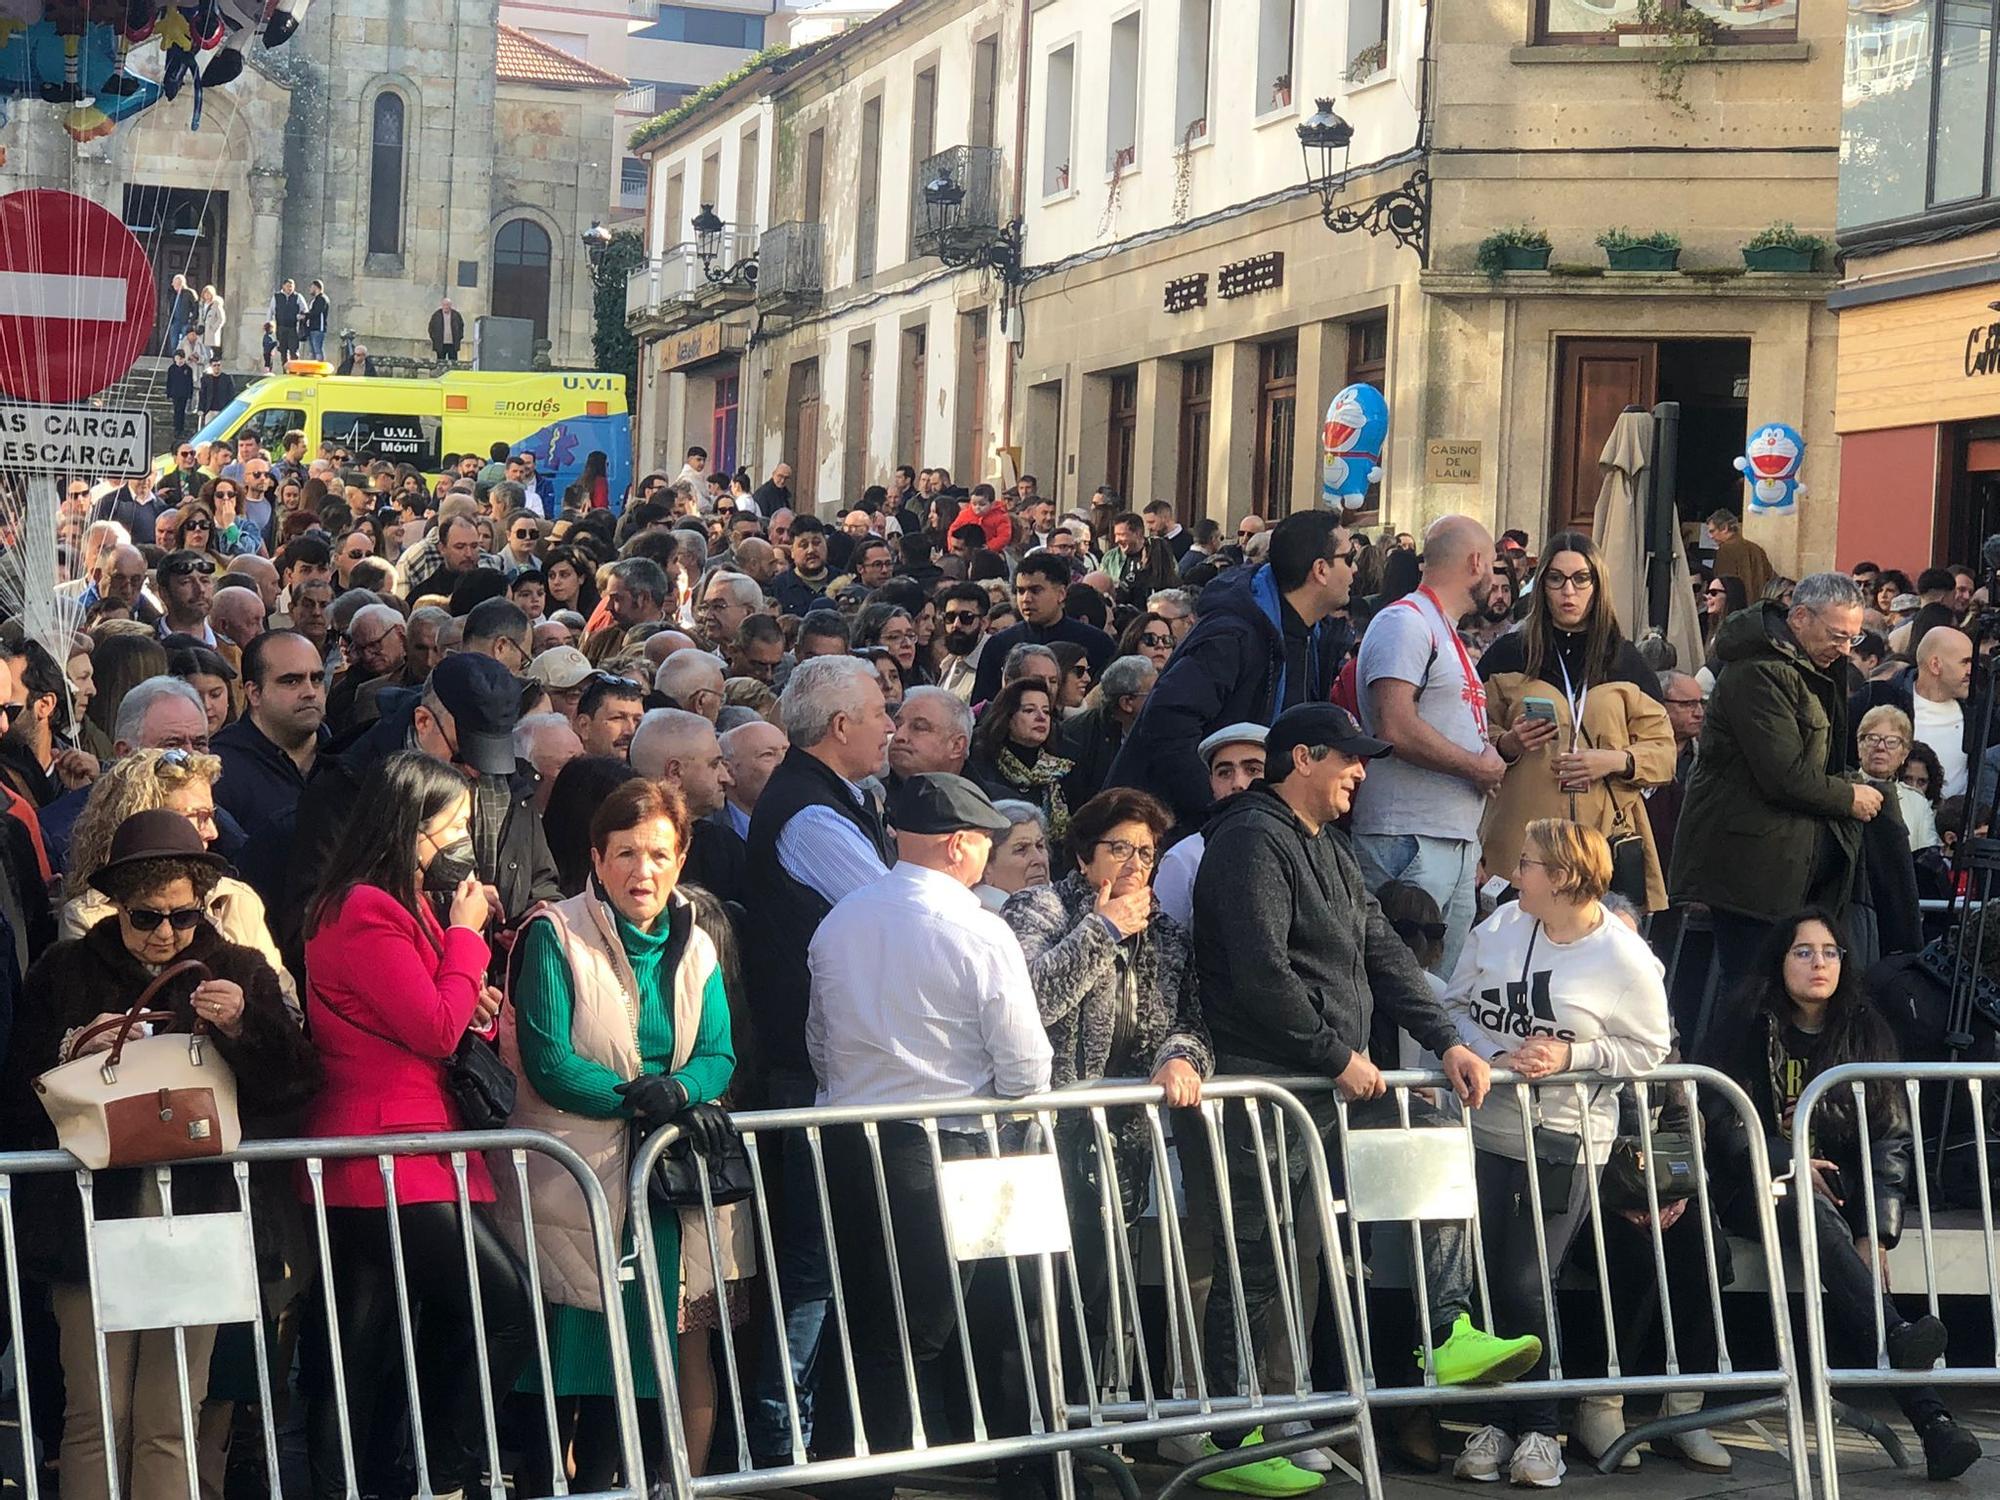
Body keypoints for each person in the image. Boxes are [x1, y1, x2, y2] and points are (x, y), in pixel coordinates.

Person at [1191, 703, 1532, 1491]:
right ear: (1303, 758)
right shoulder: (1248, 840)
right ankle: (1230, 1441)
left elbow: (1385, 952)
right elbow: (1259, 974)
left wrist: (1446, 1041)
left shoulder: (1332, 848)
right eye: (1350, 758)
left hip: (1331, 1077)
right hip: (1267, 1087)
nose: (1362, 772)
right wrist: (1333, 1051)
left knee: (1428, 1150)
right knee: (1258, 1261)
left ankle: (1447, 1332)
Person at [0, 810, 315, 1500]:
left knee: (171, 1417)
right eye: (147, 917)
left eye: (183, 916)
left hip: (196, 1216)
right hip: (89, 1222)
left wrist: (243, 1025)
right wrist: (70, 1054)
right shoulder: (65, 971)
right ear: (116, 907)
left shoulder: (238, 968)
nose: (168, 934)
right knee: (96, 1416)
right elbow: (17, 1102)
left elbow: (293, 1084)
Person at [805, 773, 1053, 1493]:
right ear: (959, 846)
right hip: (960, 1143)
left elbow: (821, 1043)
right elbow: (1025, 1063)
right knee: (991, 1319)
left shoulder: (840, 919)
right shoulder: (979, 927)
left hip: (856, 1141)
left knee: (875, 1326)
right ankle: (1022, 1474)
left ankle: (864, 1479)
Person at [299, 751, 534, 1499]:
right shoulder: (365, 907)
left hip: (411, 1147)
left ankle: (384, 1478)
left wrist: (474, 992)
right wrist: (466, 935)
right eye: (452, 826)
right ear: (410, 828)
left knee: (366, 1340)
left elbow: (437, 1013)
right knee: (501, 1302)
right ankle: (446, 1475)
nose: (464, 841)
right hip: (383, 1152)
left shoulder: (403, 908)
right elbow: (432, 1027)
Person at [501, 778, 743, 1490]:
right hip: (571, 1187)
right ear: (597, 858)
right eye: (627, 853)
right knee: (562, 1382)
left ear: (683, 855)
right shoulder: (552, 933)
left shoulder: (695, 941)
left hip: (659, 1195)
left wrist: (682, 1090)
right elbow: (549, 1062)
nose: (645, 871)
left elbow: (719, 1053)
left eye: (660, 854)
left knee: (634, 1376)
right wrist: (645, 1103)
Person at [1700, 910, 1982, 1481]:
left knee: (1839, 1248)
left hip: (1838, 1201)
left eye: (1830, 952)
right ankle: (1920, 1389)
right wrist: (1787, 1157)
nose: (1818, 963)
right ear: (1779, 960)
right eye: (1803, 951)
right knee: (1805, 1201)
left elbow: (1891, 1137)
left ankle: (1936, 1424)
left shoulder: (1866, 1028)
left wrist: (1874, 1230)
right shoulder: (1746, 1020)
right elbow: (1716, 1114)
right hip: (1752, 1186)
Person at [1441, 819, 1672, 1487]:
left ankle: (1541, 1424)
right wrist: (1489, 1055)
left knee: (1525, 1279)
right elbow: (1453, 1005)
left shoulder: (1623, 958)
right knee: (1488, 1277)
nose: (1518, 873)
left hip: (1568, 1137)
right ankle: (1501, 1418)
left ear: (1566, 877)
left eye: (1530, 863)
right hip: (1486, 1128)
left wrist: (1574, 1055)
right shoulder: (1499, 927)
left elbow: (1650, 1049)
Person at [742, 654, 895, 1462]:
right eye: (878, 712)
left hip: (832, 1064)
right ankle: (780, 1436)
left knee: (827, 1259)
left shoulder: (843, 798)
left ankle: (809, 1430)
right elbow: (890, 916)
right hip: (805, 1071)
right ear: (841, 727)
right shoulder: (809, 814)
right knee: (808, 1265)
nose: (889, 726)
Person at [1002, 788, 1209, 1352]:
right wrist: (1103, 930)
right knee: (1030, 1298)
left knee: (1101, 1295)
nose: (1137, 865)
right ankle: (1036, 1431)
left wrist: (1180, 1057)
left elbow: (1190, 1024)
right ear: (1083, 857)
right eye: (1121, 849)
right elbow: (1032, 1002)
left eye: (1147, 853)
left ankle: (1101, 1427)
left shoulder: (1167, 936)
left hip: (1121, 1142)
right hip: (1039, 1135)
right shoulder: (1038, 908)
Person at [1669, 573, 1879, 1018]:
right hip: (1749, 867)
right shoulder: (1758, 672)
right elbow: (1784, 775)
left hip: (1790, 863)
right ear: (1800, 617)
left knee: (1776, 996)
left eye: (1853, 636)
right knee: (1749, 992)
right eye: (1837, 635)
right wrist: (1848, 798)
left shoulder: (1817, 668)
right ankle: (1729, 1085)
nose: (1845, 648)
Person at [1107, 511, 1355, 831]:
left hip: (1253, 823)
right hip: (1172, 831)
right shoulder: (1233, 633)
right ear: (1320, 569)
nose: (1355, 570)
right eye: (1348, 558)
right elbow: (1167, 721)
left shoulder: (1314, 635)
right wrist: (1220, 807)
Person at [1477, 531, 1675, 912]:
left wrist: (1614, 761)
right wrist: (1508, 744)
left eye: (1581, 579)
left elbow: (1664, 750)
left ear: (1597, 584)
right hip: (1519, 840)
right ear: (1542, 586)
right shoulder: (1509, 654)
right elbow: (1471, 730)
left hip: (1600, 844)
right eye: (1556, 579)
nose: (1569, 591)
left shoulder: (1626, 660)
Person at [1352, 515, 1507, 973]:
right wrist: (1475, 768)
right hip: (1409, 839)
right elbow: (1395, 726)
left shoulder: (1441, 629)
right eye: (1494, 566)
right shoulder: (1405, 623)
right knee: (1403, 985)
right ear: (1476, 562)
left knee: (1438, 995)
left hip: (1449, 840)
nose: (1496, 578)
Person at [61, 746, 297, 1014]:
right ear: (145, 818)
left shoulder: (236, 900)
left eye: (211, 815)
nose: (212, 832)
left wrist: (242, 1019)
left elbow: (289, 1011)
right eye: (196, 817)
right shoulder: (88, 916)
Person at [1152, 722, 1267, 928]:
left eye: (1252, 770)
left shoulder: (1300, 845)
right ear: (1211, 782)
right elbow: (1162, 949)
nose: (1238, 783)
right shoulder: (1185, 858)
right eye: (1225, 772)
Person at [971, 550, 1115, 705]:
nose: (1026, 599)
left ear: (1061, 593)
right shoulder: (999, 644)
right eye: (1020, 591)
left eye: (1035, 590)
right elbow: (983, 708)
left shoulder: (1097, 643)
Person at [965, 677, 1073, 848]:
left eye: (1046, 711)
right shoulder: (980, 761)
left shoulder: (1063, 769)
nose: (1041, 717)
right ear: (1007, 717)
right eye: (1029, 710)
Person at [1061, 654, 1156, 805]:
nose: (1161, 697)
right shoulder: (1076, 737)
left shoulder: (1162, 728)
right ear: (1126, 703)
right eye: (1154, 692)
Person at [1858, 706, 1939, 852]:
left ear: (1904, 754)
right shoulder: (1844, 789)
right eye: (1873, 738)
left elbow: (1925, 858)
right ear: (1859, 746)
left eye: (1892, 741)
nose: (1881, 747)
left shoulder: (1917, 804)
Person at [974, 800, 1051, 911]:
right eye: (1021, 849)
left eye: (1040, 846)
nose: (1038, 859)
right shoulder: (978, 922)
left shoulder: (1069, 905)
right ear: (986, 866)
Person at [1705, 510, 1773, 600]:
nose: (1711, 536)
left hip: (1736, 608)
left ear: (1725, 528)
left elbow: (1722, 586)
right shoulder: (1757, 549)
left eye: (1712, 531)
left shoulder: (1725, 550)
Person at [429, 296, 465, 361]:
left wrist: (459, 337)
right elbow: (431, 328)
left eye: (447, 305)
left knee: (453, 362)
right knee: (440, 362)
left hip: (452, 344)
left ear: (450, 305)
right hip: (440, 344)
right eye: (444, 305)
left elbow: (461, 327)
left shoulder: (456, 315)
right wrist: (434, 338)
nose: (446, 307)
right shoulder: (436, 315)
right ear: (442, 305)